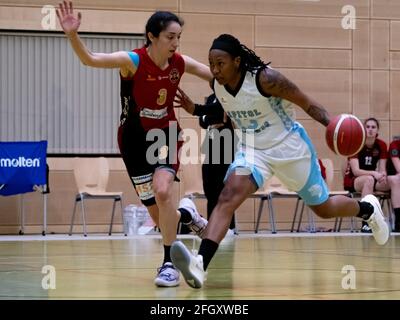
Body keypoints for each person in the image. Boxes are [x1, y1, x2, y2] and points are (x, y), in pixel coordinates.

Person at [170, 34, 389, 289]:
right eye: (212, 64)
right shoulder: (218, 85)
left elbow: (308, 104)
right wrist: (195, 108)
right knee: (227, 195)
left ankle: (367, 209)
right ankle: (200, 264)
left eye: (221, 63)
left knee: (324, 208)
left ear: (237, 61)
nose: (215, 70)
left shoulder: (266, 79)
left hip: (290, 149)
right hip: (253, 151)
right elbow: (228, 107)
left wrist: (336, 128)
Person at [56, 1, 213, 287]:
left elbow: (216, 76)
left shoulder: (179, 63)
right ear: (152, 36)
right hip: (132, 140)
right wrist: (72, 35)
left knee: (163, 191)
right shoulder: (133, 61)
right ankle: (188, 214)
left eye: (178, 37)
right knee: (158, 213)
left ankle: (168, 265)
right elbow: (90, 59)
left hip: (163, 135)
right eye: (170, 37)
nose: (175, 43)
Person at [177, 89, 237, 234]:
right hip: (210, 147)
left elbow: (213, 115)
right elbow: (203, 120)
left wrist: (208, 115)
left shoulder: (227, 96)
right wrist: (210, 117)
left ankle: (229, 227)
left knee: (223, 190)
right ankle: (213, 225)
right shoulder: (210, 97)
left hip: (226, 145)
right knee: (210, 190)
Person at [343, 118, 390, 232]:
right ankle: (366, 221)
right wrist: (375, 173)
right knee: (369, 180)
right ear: (363, 129)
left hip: (372, 179)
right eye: (367, 127)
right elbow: (356, 171)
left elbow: (383, 168)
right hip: (353, 180)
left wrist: (383, 175)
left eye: (373, 127)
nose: (370, 130)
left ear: (377, 130)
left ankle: (396, 221)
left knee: (394, 182)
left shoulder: (381, 145)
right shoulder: (356, 143)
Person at [387, 136, 400, 232]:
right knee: (396, 180)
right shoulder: (395, 145)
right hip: (389, 180)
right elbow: (399, 169)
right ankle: (398, 221)